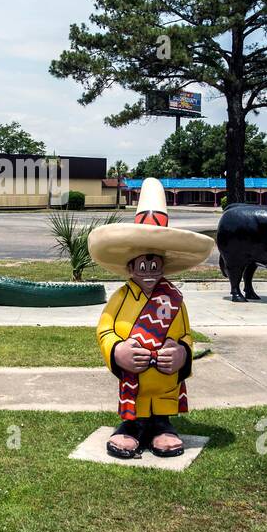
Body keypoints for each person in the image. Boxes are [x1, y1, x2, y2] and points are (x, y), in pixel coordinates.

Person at [87, 177, 214, 459]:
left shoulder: (174, 300)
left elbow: (186, 335)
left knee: (163, 405)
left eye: (155, 264)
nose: (149, 270)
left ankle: (162, 424)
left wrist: (181, 353)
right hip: (134, 379)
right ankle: (131, 425)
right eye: (143, 265)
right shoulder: (120, 297)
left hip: (166, 380)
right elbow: (105, 329)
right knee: (135, 405)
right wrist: (117, 350)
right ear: (130, 267)